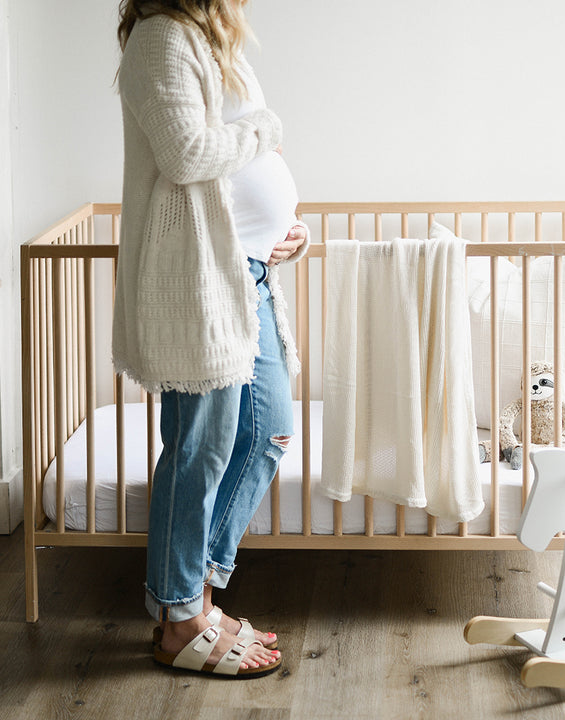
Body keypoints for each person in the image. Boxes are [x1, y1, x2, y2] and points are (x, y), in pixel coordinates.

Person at [113, 0, 309, 677]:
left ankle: (193, 591)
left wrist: (289, 227)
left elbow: (250, 163)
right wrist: (265, 127)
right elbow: (189, 152)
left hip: (248, 274)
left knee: (269, 429)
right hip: (197, 283)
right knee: (199, 447)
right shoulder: (160, 39)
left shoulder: (215, 40)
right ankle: (178, 616)